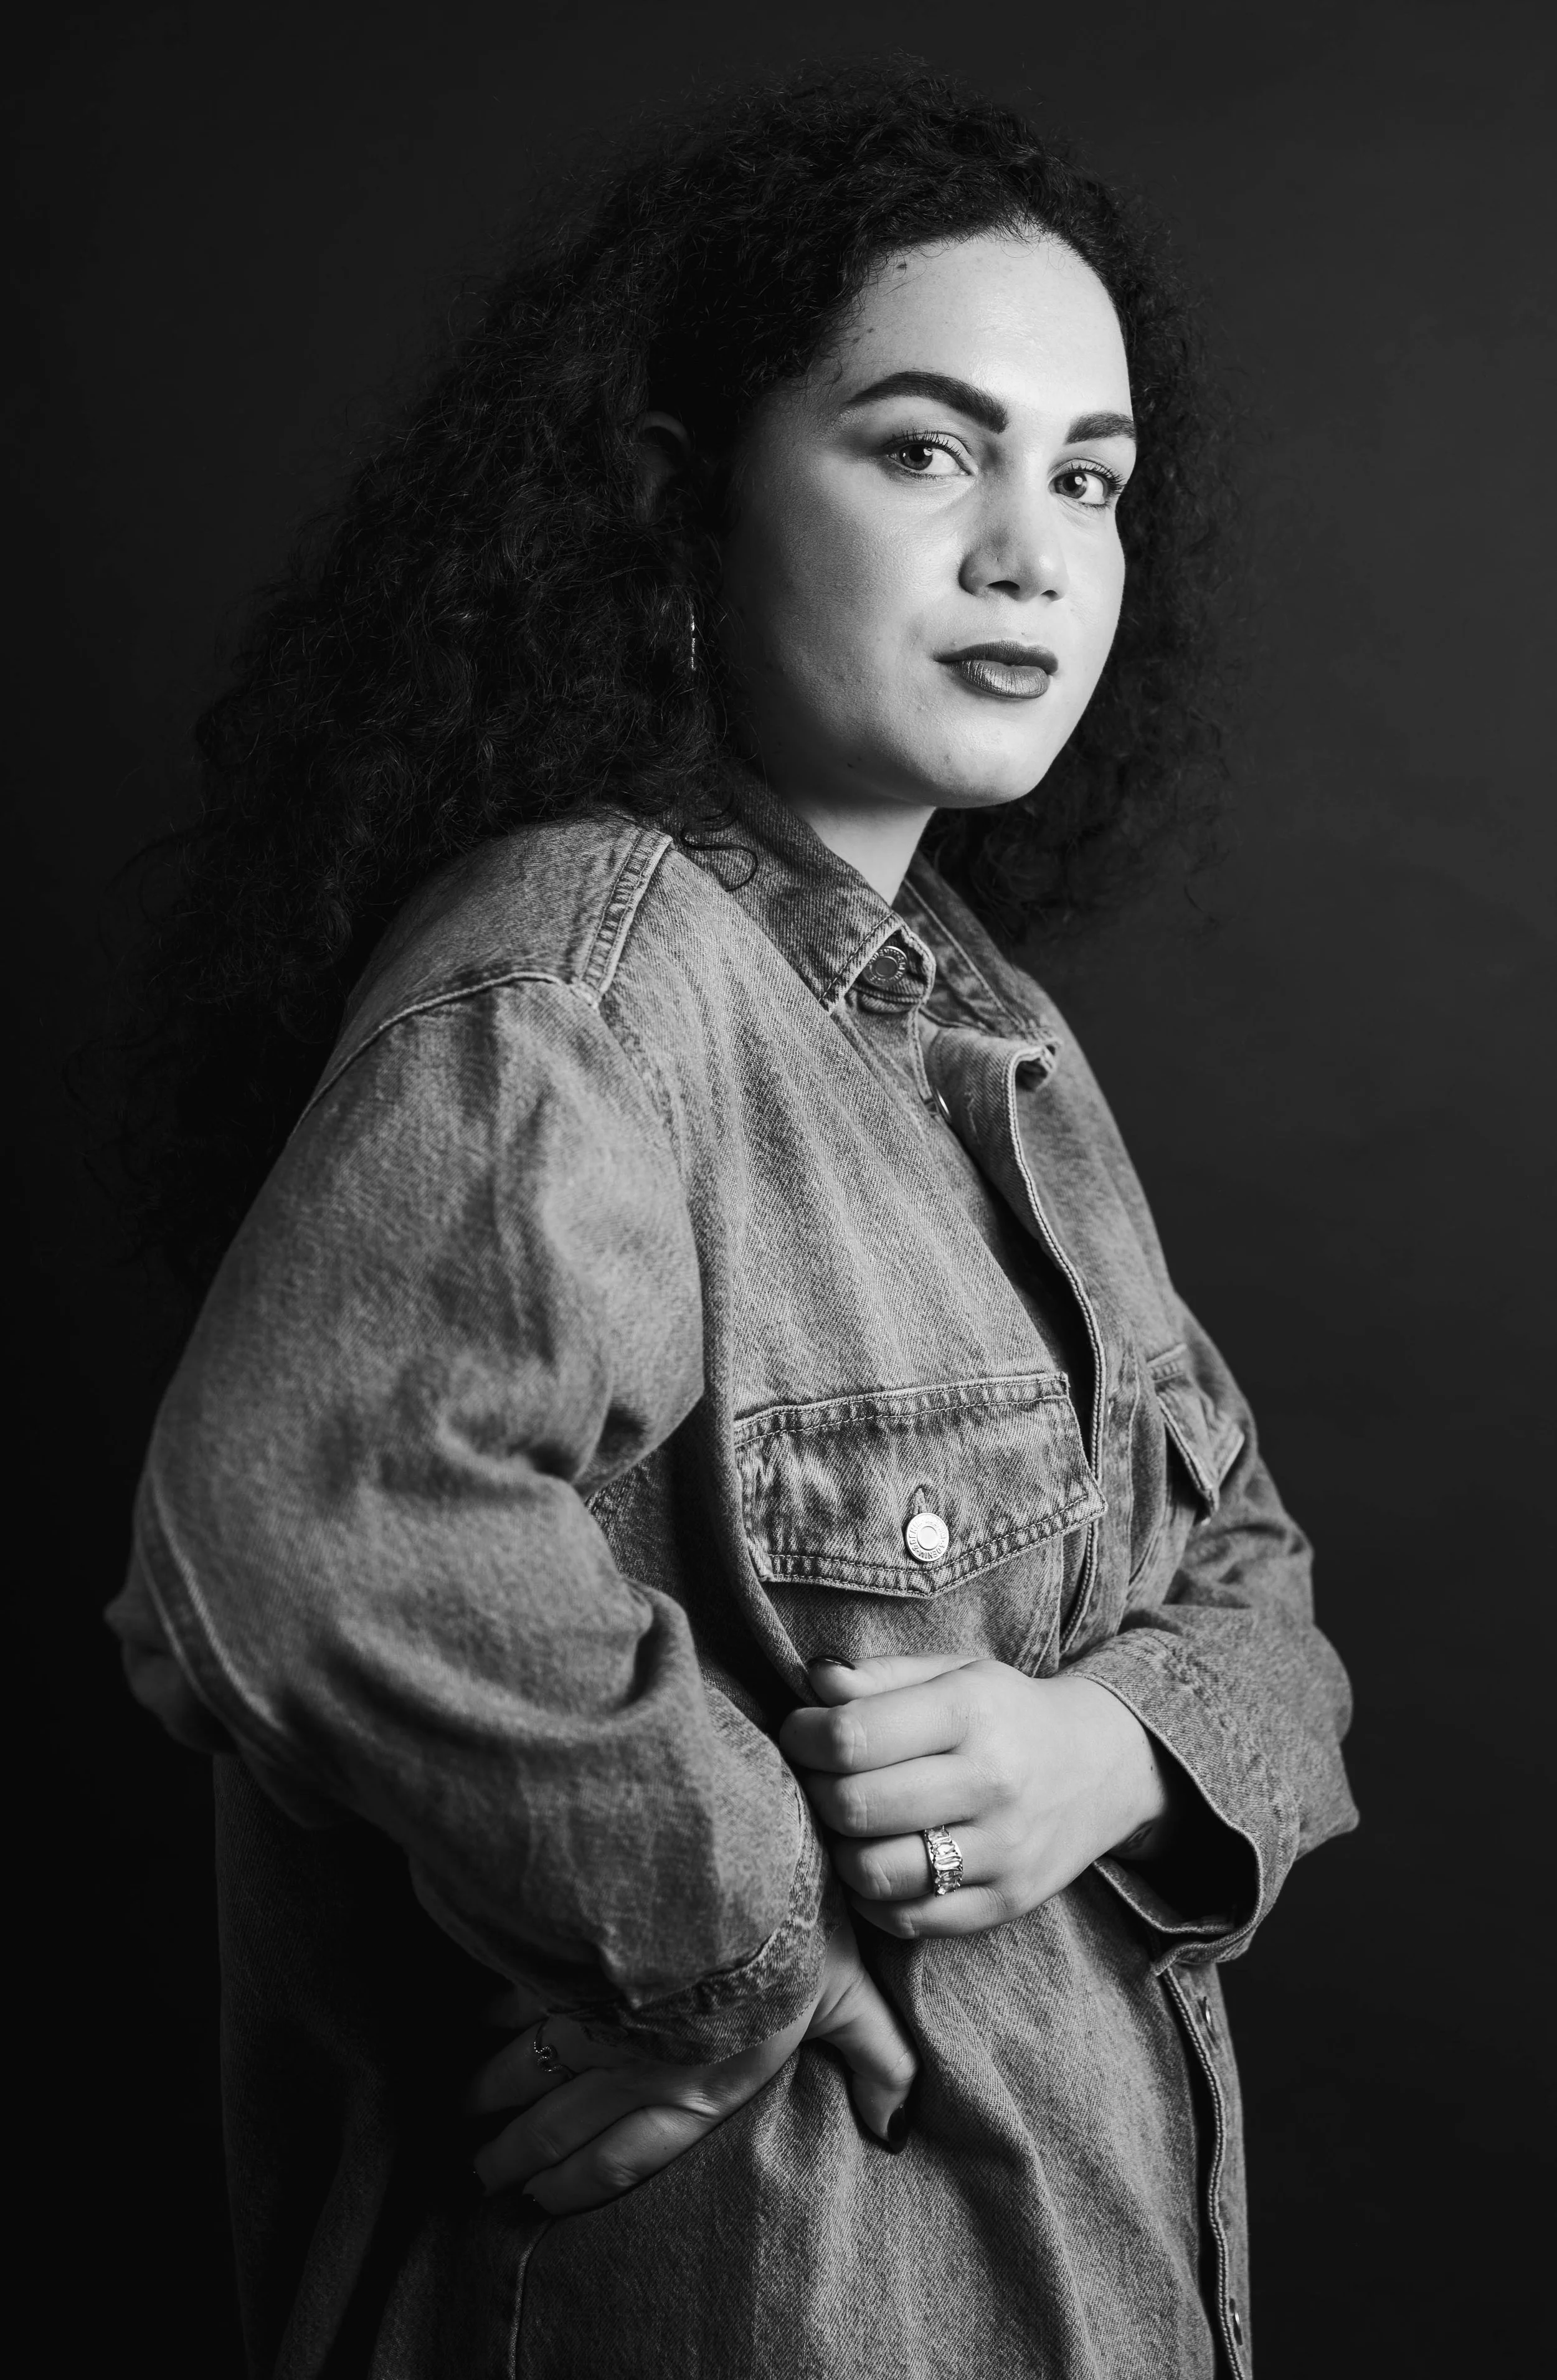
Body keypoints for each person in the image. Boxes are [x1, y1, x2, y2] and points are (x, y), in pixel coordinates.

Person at [108, 64, 1357, 2380]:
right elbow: (294, 1517)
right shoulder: (578, 980)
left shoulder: (996, 1040)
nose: (1030, 549)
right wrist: (732, 1934)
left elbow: (1260, 1574)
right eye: (921, 449)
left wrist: (1119, 1754)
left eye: (1088, 478)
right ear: (679, 507)